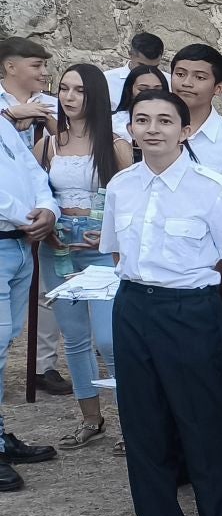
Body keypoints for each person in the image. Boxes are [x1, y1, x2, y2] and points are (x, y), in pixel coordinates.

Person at [102, 89, 222, 516]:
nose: (152, 129)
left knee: (202, 424)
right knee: (143, 423)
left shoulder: (213, 187)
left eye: (165, 121)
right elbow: (118, 254)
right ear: (130, 129)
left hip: (190, 311)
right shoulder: (122, 185)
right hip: (134, 308)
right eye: (141, 120)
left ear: (185, 131)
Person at [34, 63, 131, 449]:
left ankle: (132, 422)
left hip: (99, 246)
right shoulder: (49, 143)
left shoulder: (116, 143)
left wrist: (108, 238)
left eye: (78, 91)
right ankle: (90, 418)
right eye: (64, 89)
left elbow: (129, 201)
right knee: (73, 338)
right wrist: (47, 226)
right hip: (58, 246)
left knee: (109, 341)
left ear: (95, 97)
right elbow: (40, 193)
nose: (69, 98)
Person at [0, 82, 56, 491]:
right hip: (10, 234)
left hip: (18, 245)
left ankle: (0, 434)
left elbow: (33, 170)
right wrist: (27, 216)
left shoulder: (4, 125)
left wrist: (48, 208)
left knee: (5, 345)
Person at [169, 45, 222, 162]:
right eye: (180, 74)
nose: (187, 83)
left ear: (218, 88)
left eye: (199, 77)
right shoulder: (151, 128)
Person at [112, 62, 169, 141]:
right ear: (129, 91)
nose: (151, 94)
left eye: (157, 90)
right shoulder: (114, 123)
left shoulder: (174, 120)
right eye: (143, 89)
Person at [106, 30, 165, 105]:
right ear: (130, 55)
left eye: (155, 67)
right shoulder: (107, 81)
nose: (148, 71)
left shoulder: (168, 81)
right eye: (142, 66)